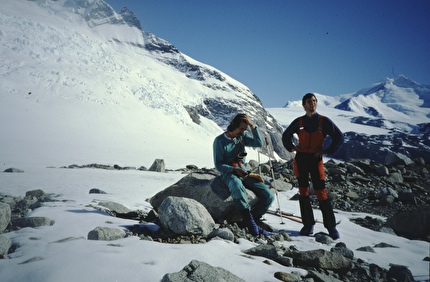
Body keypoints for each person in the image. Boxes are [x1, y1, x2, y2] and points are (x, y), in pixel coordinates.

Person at [282, 93, 344, 239]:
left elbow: (339, 137)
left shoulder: (324, 121)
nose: (313, 103)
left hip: (316, 160)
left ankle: (331, 227)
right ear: (304, 105)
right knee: (303, 192)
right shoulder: (299, 122)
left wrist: (327, 151)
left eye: (315, 101)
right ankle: (308, 225)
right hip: (301, 159)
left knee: (321, 193)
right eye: (309, 101)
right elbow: (286, 135)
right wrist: (291, 147)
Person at [213, 113, 274, 236]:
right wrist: (233, 170)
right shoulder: (219, 141)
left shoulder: (242, 137)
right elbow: (218, 165)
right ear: (233, 126)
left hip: (244, 171)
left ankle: (252, 221)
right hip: (229, 172)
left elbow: (258, 143)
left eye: (245, 129)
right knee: (236, 186)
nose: (243, 131)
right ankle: (251, 224)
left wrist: (252, 126)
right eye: (241, 129)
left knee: (268, 196)